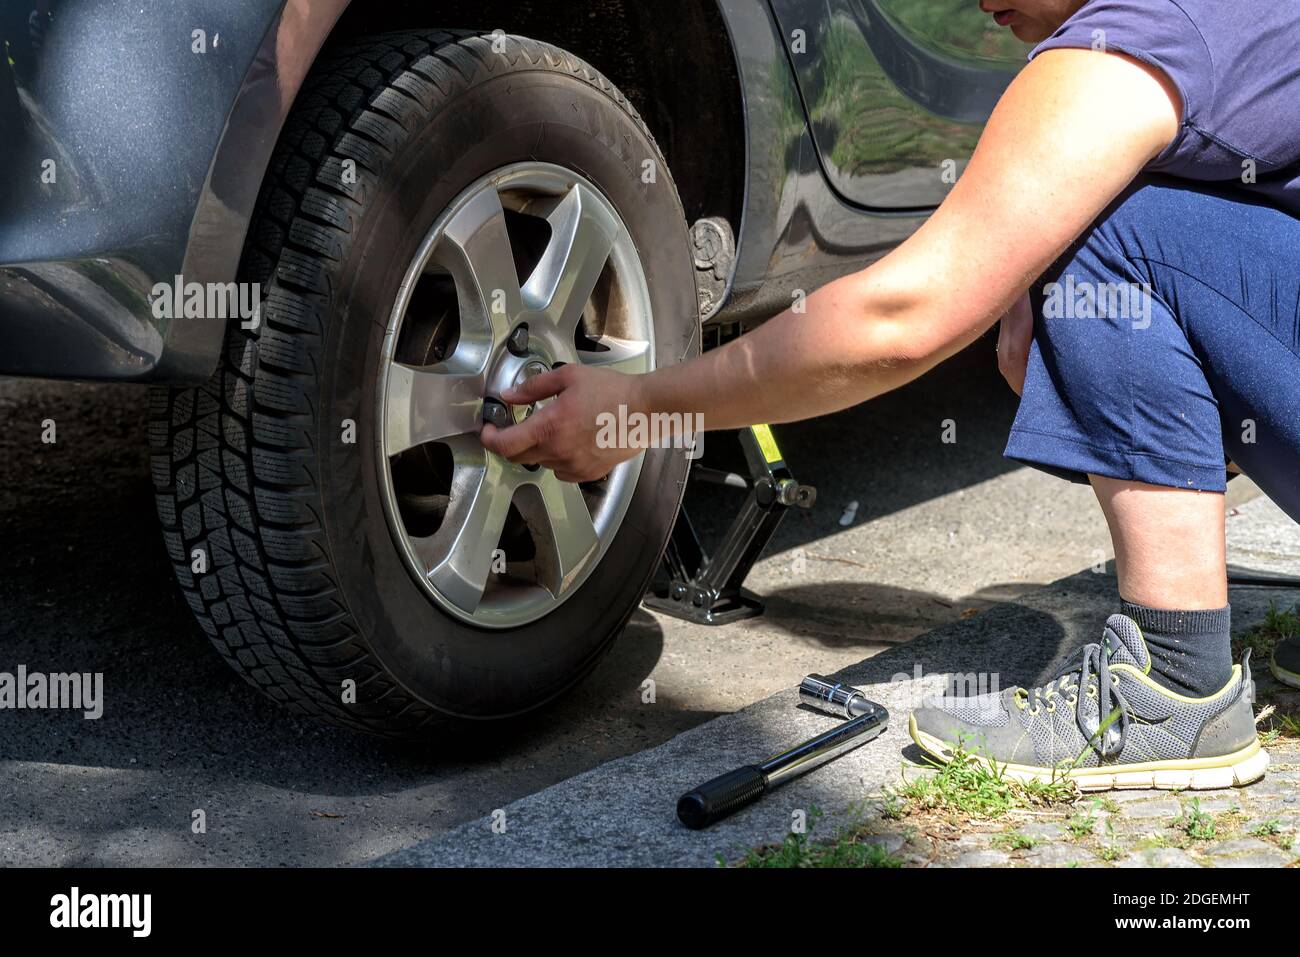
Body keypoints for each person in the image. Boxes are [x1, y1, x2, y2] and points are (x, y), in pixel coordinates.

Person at [482, 0, 1300, 790]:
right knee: (1066, 222)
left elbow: (903, 314)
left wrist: (644, 407)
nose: (977, 2)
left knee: (1098, 226)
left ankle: (1171, 687)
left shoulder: (1134, 42)